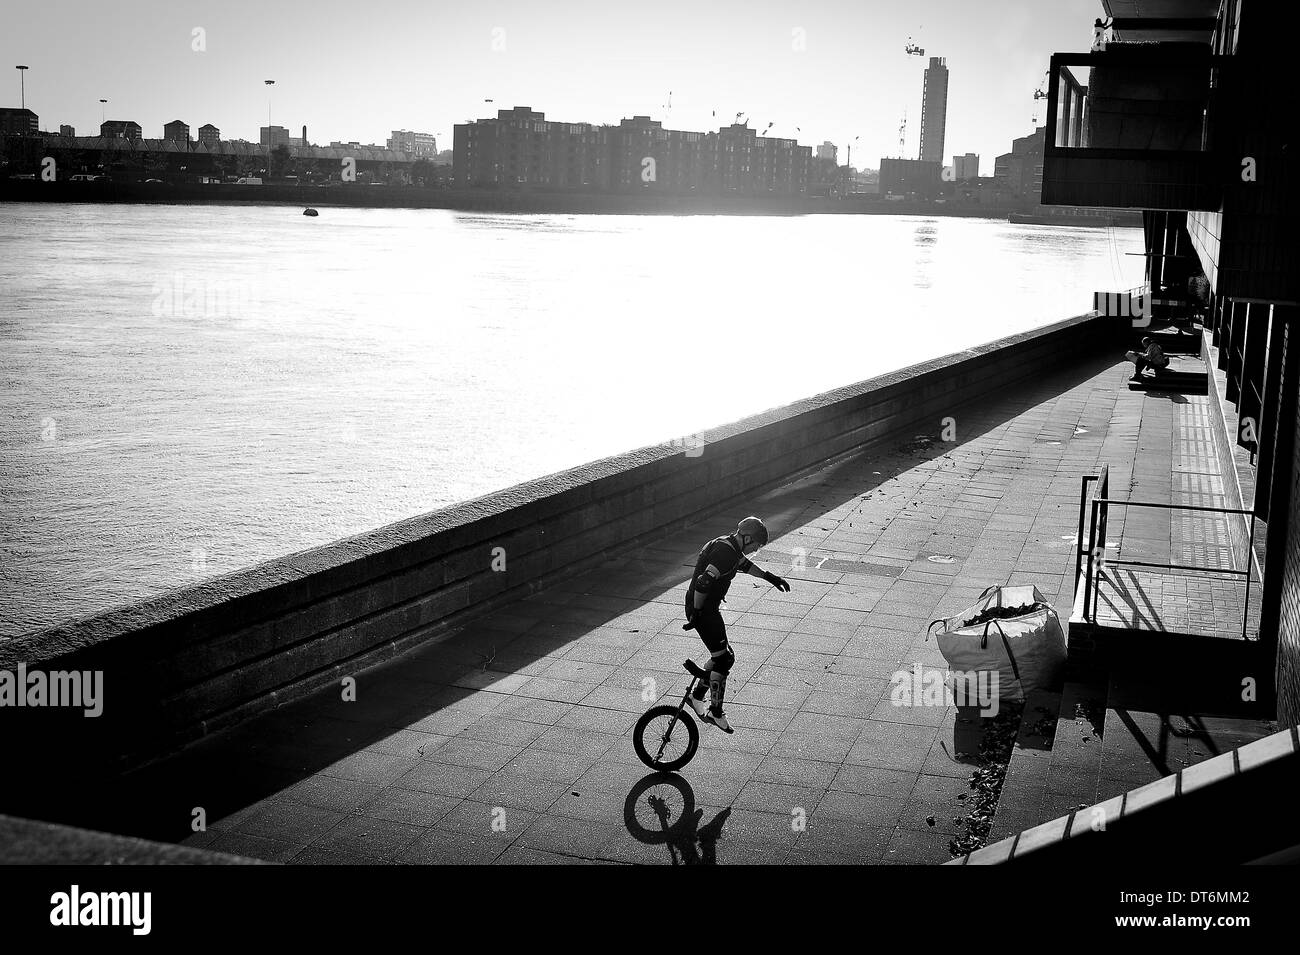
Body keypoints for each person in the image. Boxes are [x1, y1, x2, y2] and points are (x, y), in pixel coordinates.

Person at [682, 516, 790, 733]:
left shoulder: (728, 544)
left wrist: (771, 577)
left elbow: (745, 565)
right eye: (756, 545)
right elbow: (704, 582)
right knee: (722, 660)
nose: (755, 549)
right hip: (703, 609)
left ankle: (697, 696)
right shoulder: (725, 553)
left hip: (704, 608)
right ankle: (715, 711)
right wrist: (697, 614)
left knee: (724, 657)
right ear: (748, 538)